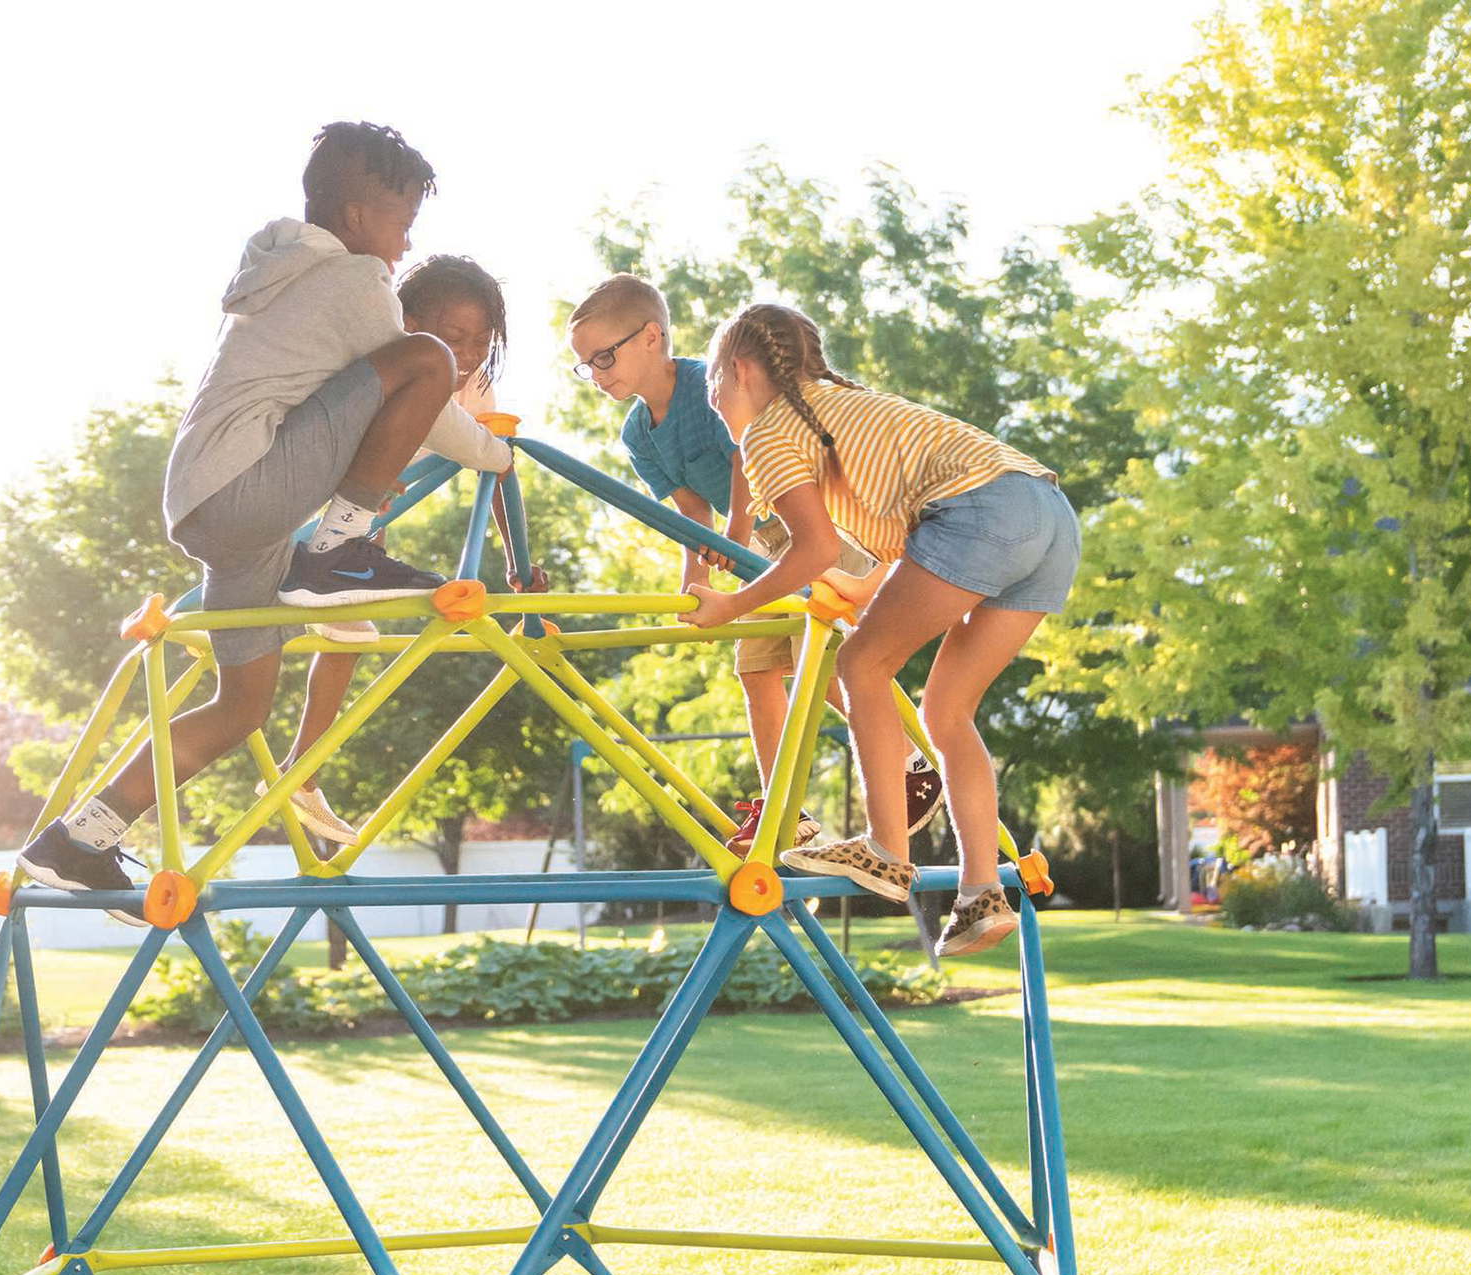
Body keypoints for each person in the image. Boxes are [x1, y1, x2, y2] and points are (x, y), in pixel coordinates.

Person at [17, 122, 513, 901]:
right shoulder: (353, 283)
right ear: (355, 218)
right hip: (246, 492)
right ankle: (340, 547)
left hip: (218, 510)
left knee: (241, 709)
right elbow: (431, 398)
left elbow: (359, 417)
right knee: (428, 361)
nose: (406, 238)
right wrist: (498, 452)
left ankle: (79, 838)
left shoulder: (281, 278)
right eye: (400, 220)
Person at [683, 302, 1080, 959]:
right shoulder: (846, 404)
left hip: (983, 512)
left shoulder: (770, 431)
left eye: (714, 383)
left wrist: (732, 605)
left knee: (861, 667)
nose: (714, 398)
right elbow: (905, 541)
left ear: (743, 372)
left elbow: (809, 550)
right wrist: (861, 590)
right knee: (948, 712)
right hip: (1048, 516)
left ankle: (887, 850)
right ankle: (981, 896)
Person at [567, 274, 941, 855]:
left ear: (650, 337)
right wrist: (696, 580)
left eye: (603, 356)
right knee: (757, 671)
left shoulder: (706, 384)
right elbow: (690, 510)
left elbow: (747, 453)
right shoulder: (638, 431)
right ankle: (785, 808)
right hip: (755, 555)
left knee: (824, 662)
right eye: (584, 365)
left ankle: (910, 762)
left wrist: (737, 529)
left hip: (805, 529)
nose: (595, 373)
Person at [275, 253, 548, 846]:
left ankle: (302, 770)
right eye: (453, 338)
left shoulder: (473, 382)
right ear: (406, 320)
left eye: (481, 340)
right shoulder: (382, 361)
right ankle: (296, 768)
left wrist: (512, 558)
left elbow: (495, 463)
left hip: (371, 520)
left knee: (348, 632)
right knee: (321, 628)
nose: (469, 354)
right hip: (322, 510)